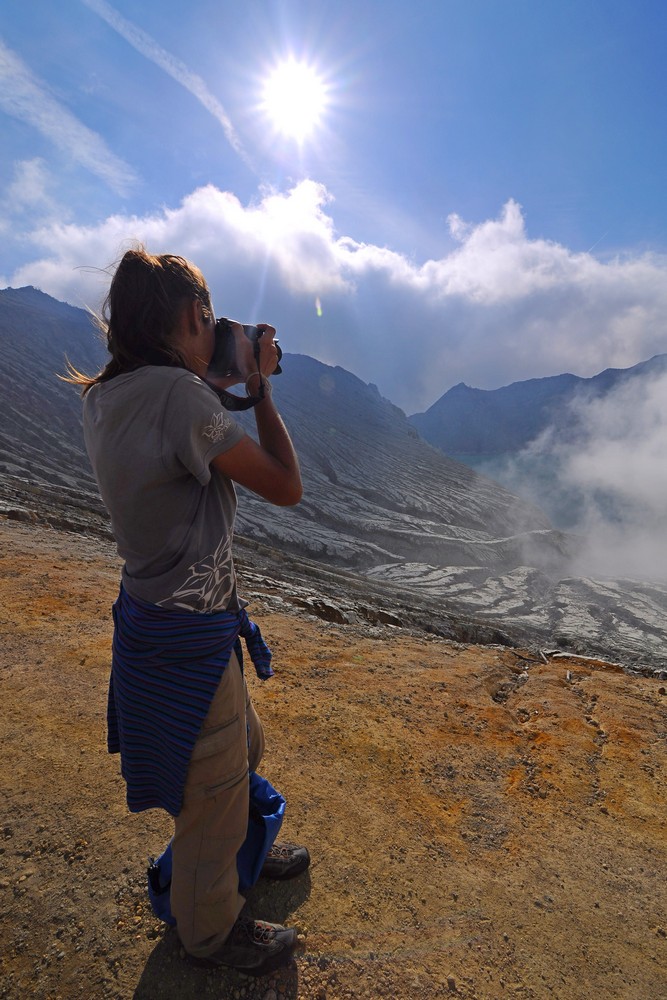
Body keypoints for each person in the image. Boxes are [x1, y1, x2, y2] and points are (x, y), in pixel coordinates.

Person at [70, 247, 307, 976]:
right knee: (213, 784)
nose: (215, 327)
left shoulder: (113, 392)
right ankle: (209, 932)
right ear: (181, 320)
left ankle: (238, 850)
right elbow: (284, 485)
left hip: (161, 619)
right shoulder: (178, 399)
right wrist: (259, 387)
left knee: (239, 753)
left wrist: (219, 372)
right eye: (205, 316)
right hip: (188, 635)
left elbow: (182, 421)